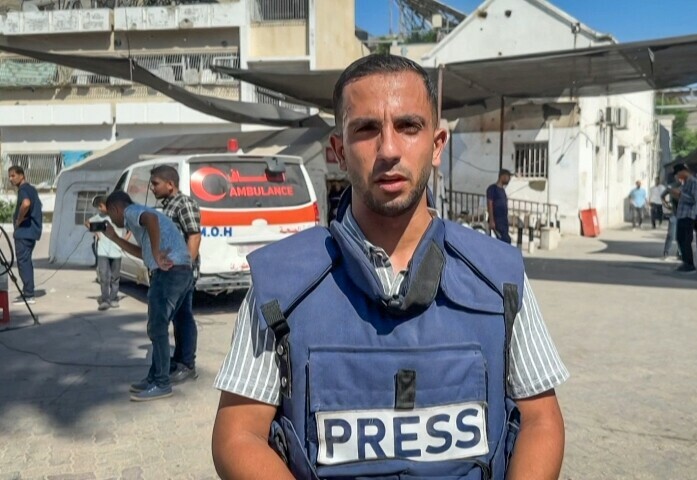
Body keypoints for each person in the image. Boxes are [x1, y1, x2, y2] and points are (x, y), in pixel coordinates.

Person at [211, 54, 568, 480]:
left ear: (437, 145)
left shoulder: (500, 276)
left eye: (408, 126)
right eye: (366, 130)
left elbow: (540, 419)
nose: (389, 150)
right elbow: (238, 436)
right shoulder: (280, 285)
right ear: (338, 151)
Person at [102, 191, 194, 401]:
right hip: (182, 270)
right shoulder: (140, 219)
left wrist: (157, 252)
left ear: (116, 208)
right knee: (167, 324)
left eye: (110, 214)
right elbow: (142, 253)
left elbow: (150, 220)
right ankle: (155, 376)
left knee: (157, 327)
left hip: (168, 273)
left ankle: (162, 383)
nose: (112, 220)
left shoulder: (132, 211)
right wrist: (115, 238)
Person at [149, 165, 201, 384]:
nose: (152, 188)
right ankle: (179, 360)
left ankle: (187, 364)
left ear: (170, 184)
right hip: (170, 271)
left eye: (155, 183)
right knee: (180, 317)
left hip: (180, 273)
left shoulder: (184, 203)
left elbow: (194, 236)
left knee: (180, 318)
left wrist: (184, 267)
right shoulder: (168, 205)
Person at [8, 166, 42, 305]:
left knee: (23, 262)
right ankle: (28, 291)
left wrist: (19, 219)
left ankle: (28, 294)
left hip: (24, 232)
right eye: (9, 176)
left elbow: (26, 204)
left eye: (13, 175)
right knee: (26, 261)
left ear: (22, 175)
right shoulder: (32, 189)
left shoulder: (23, 190)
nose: (11, 179)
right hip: (31, 232)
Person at [86, 195, 126, 310]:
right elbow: (87, 222)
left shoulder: (118, 216)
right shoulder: (99, 217)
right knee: (104, 276)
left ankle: (113, 298)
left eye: (101, 206)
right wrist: (96, 233)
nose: (99, 208)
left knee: (115, 277)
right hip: (102, 251)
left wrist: (124, 241)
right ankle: (105, 299)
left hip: (117, 251)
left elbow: (130, 229)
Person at [671, 164, 697, 273]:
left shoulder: (693, 182)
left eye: (678, 173)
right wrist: (676, 194)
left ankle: (689, 264)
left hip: (688, 215)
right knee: (679, 238)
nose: (678, 176)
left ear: (683, 171)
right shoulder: (685, 182)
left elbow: (693, 199)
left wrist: (680, 193)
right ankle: (685, 262)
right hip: (681, 214)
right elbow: (682, 197)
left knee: (686, 240)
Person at [487, 168, 512, 243]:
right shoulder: (492, 189)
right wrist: (491, 220)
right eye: (508, 177)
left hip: (504, 220)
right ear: (503, 176)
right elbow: (490, 204)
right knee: (505, 240)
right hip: (497, 220)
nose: (509, 180)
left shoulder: (503, 190)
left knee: (504, 240)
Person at [661, 177, 682, 261]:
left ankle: (680, 253)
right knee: (671, 234)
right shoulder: (672, 187)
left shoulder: (687, 187)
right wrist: (667, 205)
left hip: (683, 215)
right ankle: (666, 252)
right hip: (674, 214)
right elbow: (662, 196)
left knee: (681, 235)